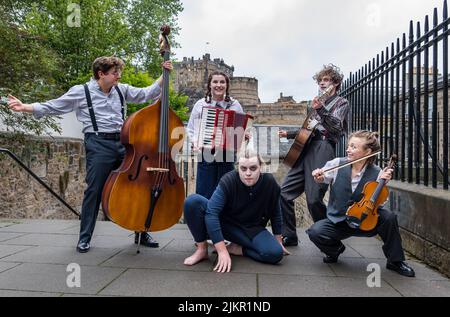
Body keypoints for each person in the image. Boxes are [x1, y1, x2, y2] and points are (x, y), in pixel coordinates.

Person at [7, 56, 173, 253]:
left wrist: (163, 75)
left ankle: (141, 231)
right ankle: (84, 237)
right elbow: (54, 105)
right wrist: (26, 107)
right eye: (114, 73)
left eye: (118, 72)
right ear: (101, 74)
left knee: (138, 184)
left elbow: (146, 94)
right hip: (98, 143)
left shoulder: (121, 89)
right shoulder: (81, 92)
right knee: (94, 190)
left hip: (123, 143)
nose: (118, 76)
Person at [306, 130, 415, 277]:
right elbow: (322, 177)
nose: (348, 149)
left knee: (389, 217)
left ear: (367, 152)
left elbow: (381, 203)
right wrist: (318, 176)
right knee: (315, 231)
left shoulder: (377, 172)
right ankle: (335, 250)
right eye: (349, 146)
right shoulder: (337, 164)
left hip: (366, 220)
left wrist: (381, 184)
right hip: (340, 220)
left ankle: (395, 261)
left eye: (353, 147)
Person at [183, 152, 290, 273]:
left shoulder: (269, 183)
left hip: (252, 230)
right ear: (238, 167)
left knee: (275, 254)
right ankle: (202, 250)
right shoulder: (229, 180)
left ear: (261, 167)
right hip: (226, 225)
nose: (248, 173)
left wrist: (278, 240)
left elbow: (275, 212)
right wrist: (221, 251)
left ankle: (237, 249)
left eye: (253, 168)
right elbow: (211, 213)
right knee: (192, 202)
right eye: (243, 169)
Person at [279, 64, 349, 247]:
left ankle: (330, 239)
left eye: (326, 80)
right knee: (284, 193)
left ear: (336, 83)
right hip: (306, 148)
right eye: (320, 81)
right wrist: (289, 134)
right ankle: (290, 235)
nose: (322, 83)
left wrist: (321, 109)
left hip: (323, 148)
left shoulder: (341, 103)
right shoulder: (317, 103)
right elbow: (309, 129)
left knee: (314, 199)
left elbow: (336, 127)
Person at [186, 71, 244, 199]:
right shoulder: (200, 104)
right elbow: (191, 129)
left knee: (226, 193)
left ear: (227, 85)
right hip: (206, 152)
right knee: (204, 193)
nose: (219, 85)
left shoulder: (235, 105)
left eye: (222, 82)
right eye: (215, 82)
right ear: (210, 85)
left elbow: (241, 129)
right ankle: (204, 218)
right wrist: (195, 142)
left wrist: (244, 135)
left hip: (227, 154)